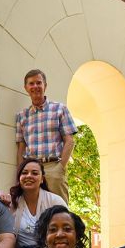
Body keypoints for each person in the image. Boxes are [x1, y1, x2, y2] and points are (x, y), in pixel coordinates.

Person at [15, 69, 77, 203]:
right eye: (31, 84)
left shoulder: (60, 109)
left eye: (39, 83)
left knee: (59, 211)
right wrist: (21, 172)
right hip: (31, 170)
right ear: (26, 88)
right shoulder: (21, 116)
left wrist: (60, 168)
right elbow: (21, 148)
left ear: (45, 86)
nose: (35, 86)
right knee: (34, 210)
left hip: (53, 166)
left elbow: (70, 141)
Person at [9, 157, 66, 248]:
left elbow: (68, 228)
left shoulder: (55, 201)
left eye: (34, 173)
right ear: (19, 178)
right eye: (24, 173)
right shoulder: (12, 203)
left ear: (42, 179)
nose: (29, 176)